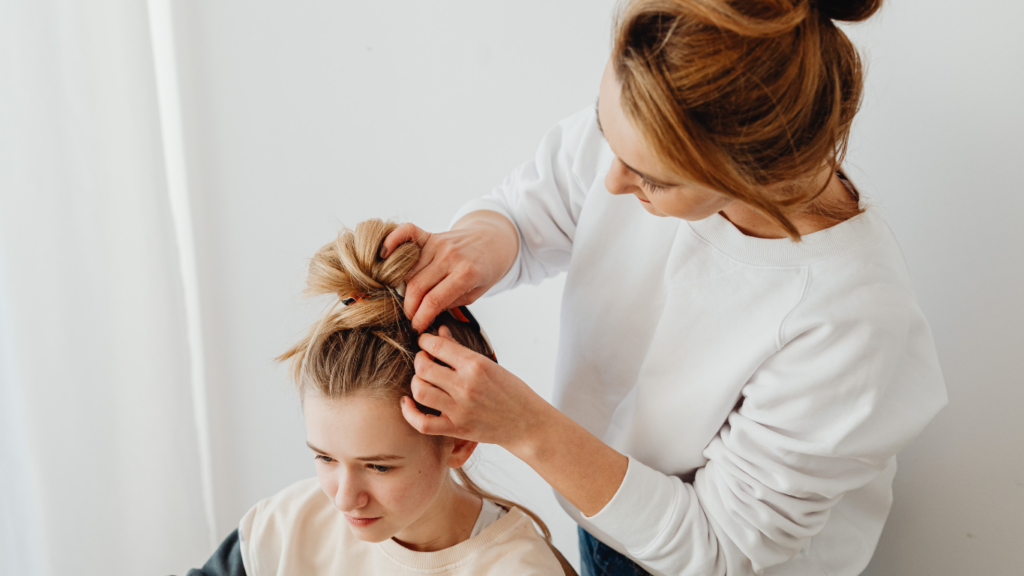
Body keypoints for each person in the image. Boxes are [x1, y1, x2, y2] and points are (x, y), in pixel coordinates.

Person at [380, 1, 948, 575]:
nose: (612, 180)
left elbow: (721, 550)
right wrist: (486, 237)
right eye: (607, 133)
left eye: (648, 176)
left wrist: (524, 426)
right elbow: (539, 203)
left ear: (748, 175)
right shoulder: (649, 129)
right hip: (603, 507)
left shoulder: (849, 319)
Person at [185, 220, 575, 576]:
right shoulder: (288, 527)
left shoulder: (518, 568)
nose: (344, 498)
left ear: (459, 442)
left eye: (378, 467)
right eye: (325, 458)